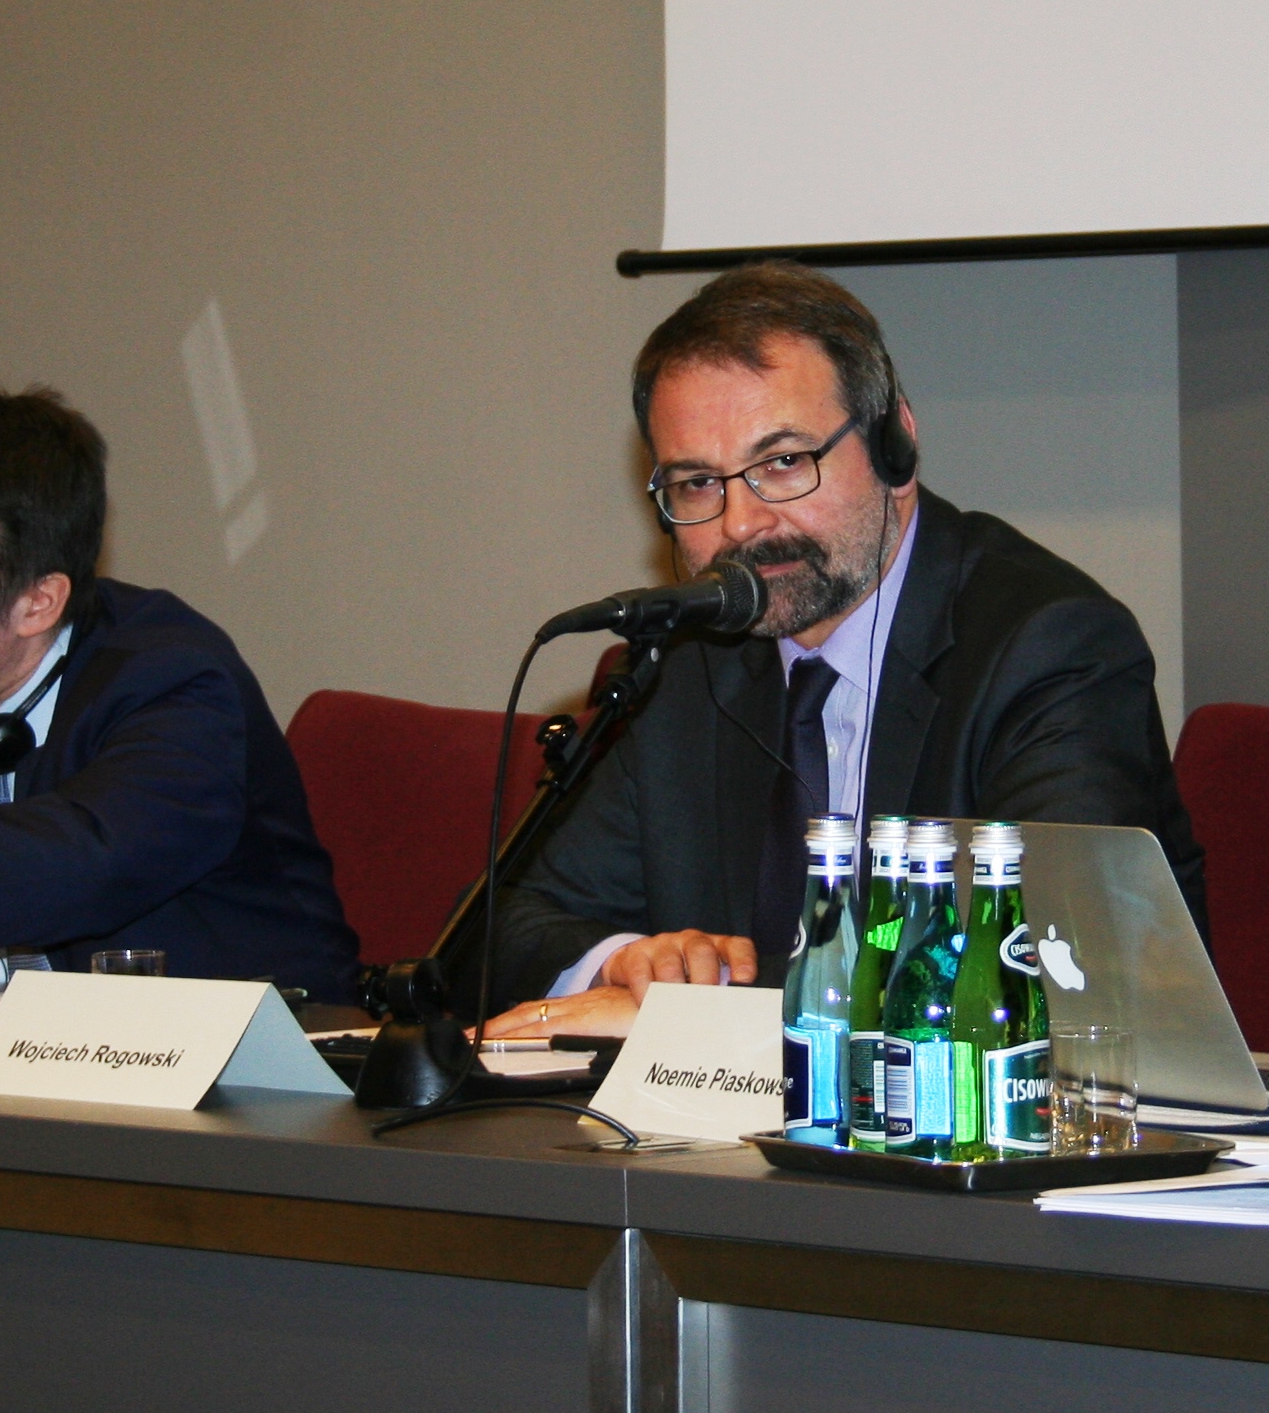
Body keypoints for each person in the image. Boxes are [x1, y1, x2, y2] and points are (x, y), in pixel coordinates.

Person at [473, 262, 1202, 1040]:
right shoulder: (686, 664)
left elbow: (1051, 970)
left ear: (896, 447)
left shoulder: (1048, 646)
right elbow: (501, 929)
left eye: (783, 462)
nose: (742, 524)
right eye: (697, 484)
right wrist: (624, 966)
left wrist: (698, 1020)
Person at [0, 388, 358, 998]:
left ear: (37, 602)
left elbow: (72, 865)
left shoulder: (177, 680)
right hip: (11, 1053)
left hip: (256, 1051)